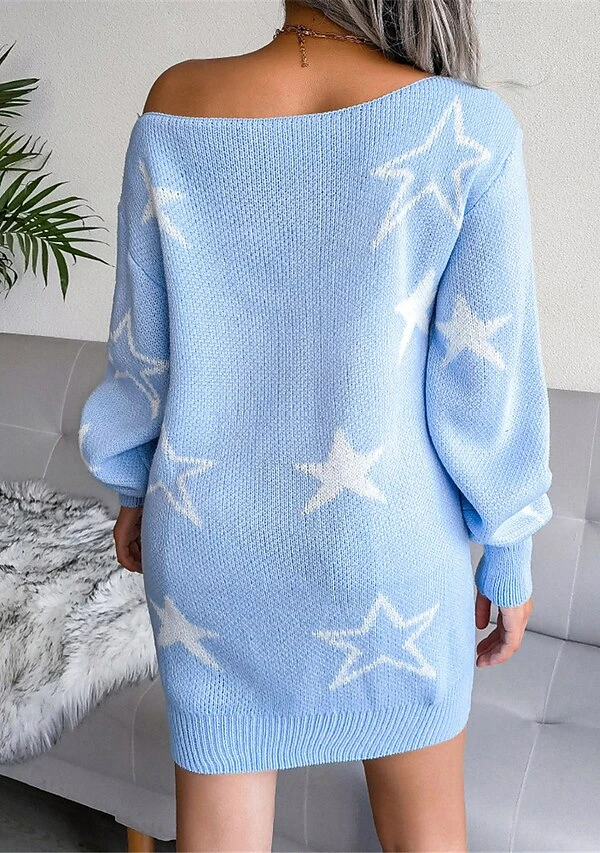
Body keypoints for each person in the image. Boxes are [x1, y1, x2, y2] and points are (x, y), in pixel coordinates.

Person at [78, 1, 553, 850]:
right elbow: (486, 377)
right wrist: (509, 547)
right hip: (391, 558)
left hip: (209, 544)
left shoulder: (176, 103)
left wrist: (131, 487)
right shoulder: (468, 129)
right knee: (426, 836)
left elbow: (142, 347)